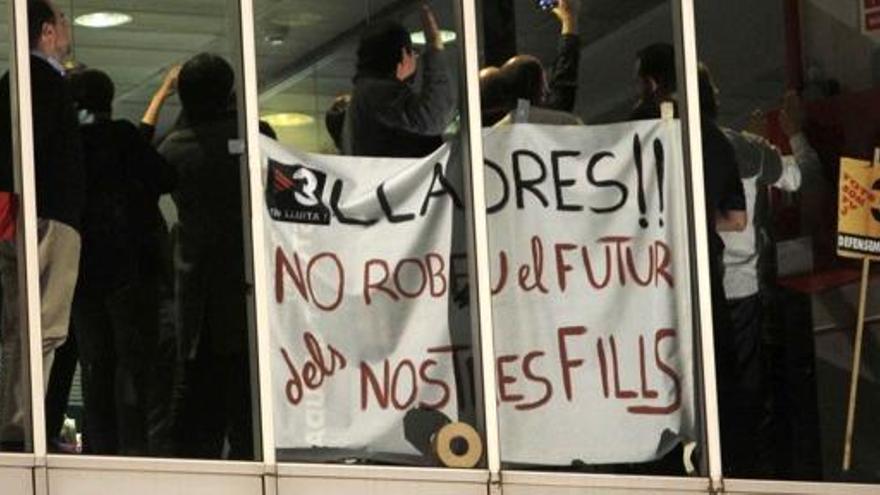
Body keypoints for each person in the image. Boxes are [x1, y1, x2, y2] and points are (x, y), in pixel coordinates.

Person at [700, 66, 822, 477]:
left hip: (692, 293)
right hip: (743, 290)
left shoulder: (673, 151)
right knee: (749, 392)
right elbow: (805, 174)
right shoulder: (748, 148)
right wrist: (794, 132)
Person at [631, 44, 747, 475]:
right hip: (704, 276)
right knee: (715, 381)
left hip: (646, 280)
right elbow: (736, 219)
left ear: (651, 82)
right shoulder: (712, 136)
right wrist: (695, 216)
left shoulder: (633, 133)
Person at [66, 67, 176, 456]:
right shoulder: (123, 138)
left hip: (82, 269)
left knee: (97, 363)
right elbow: (165, 177)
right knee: (134, 363)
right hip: (130, 268)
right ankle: (134, 445)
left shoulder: (69, 146)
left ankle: (99, 445)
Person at [158, 53, 253, 460]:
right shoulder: (251, 136)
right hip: (247, 282)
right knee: (247, 400)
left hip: (197, 283)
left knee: (197, 401)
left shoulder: (174, 148)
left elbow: (152, 170)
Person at [0, 0, 85, 451]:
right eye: (63, 21)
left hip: (19, 213)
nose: (67, 28)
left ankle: (18, 422)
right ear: (47, 31)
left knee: (20, 323)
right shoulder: (46, 84)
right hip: (48, 215)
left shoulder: (12, 82)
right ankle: (22, 428)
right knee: (44, 325)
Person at [341, 5, 456, 157]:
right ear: (403, 54)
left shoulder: (364, 95)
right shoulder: (376, 94)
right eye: (413, 52)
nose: (416, 60)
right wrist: (434, 46)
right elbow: (434, 116)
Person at [481, 0, 583, 126]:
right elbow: (564, 85)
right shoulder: (532, 124)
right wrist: (569, 19)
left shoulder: (476, 138)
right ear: (540, 92)